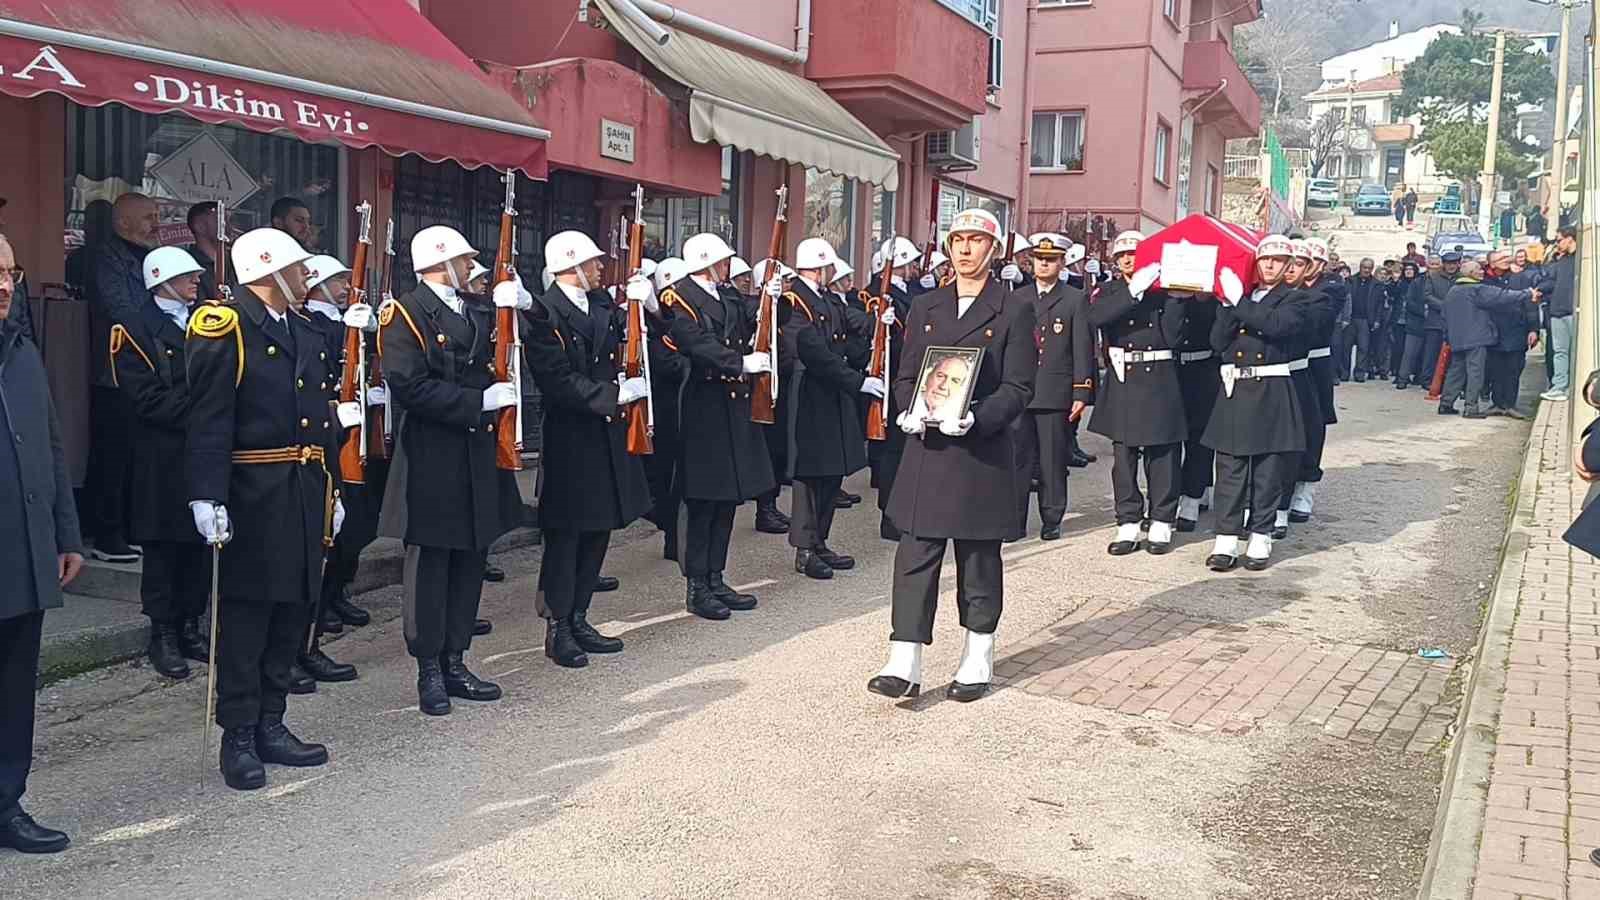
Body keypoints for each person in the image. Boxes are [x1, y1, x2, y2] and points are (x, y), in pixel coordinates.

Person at [185, 227, 343, 790]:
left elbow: (316, 413)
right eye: (298, 267)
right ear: (269, 269)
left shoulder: (299, 327)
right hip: (252, 493)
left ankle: (272, 722)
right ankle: (240, 735)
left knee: (291, 612)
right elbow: (207, 418)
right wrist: (207, 494)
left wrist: (334, 489)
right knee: (247, 620)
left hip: (301, 488)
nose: (306, 276)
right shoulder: (224, 328)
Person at [868, 208, 1034, 704]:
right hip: (928, 449)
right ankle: (905, 656)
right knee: (915, 554)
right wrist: (908, 409)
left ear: (994, 249)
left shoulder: (1013, 307)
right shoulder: (927, 305)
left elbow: (1019, 385)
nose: (965, 249)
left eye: (976, 241)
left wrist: (978, 418)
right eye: (958, 239)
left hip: (978, 450)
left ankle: (978, 651)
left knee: (978, 558)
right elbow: (905, 375)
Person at [377, 224, 523, 716]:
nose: (471, 268)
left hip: (475, 454)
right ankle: (429, 670)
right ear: (440, 262)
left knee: (469, 561)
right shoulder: (405, 313)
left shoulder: (474, 310)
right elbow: (409, 386)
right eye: (464, 260)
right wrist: (477, 400)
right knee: (431, 566)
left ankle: (456, 659)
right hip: (433, 457)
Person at [527, 231, 654, 668]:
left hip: (605, 435)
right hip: (571, 437)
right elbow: (555, 379)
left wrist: (644, 308)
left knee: (598, 528)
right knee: (566, 536)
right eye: (593, 262)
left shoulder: (601, 304)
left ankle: (580, 616)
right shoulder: (544, 312)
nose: (601, 268)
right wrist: (611, 396)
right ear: (571, 266)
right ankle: (558, 625)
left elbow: (628, 339)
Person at [0, 234, 84, 853]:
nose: (5, 285)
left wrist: (65, 533)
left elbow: (51, 449)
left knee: (13, 692)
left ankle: (7, 804)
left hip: (22, 556)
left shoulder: (22, 352)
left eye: (10, 273)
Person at [659, 233, 777, 619]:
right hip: (702, 408)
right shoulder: (678, 298)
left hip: (731, 409)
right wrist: (740, 364)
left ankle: (716, 575)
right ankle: (696, 584)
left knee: (725, 499)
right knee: (702, 503)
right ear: (707, 262)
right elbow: (696, 343)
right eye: (723, 260)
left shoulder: (724, 294)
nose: (729, 265)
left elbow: (752, 318)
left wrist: (771, 298)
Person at [109, 246, 211, 680]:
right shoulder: (134, 328)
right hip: (161, 454)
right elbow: (145, 398)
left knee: (201, 544)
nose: (196, 281)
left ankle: (191, 624)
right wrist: (211, 410)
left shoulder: (207, 320)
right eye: (187, 275)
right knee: (164, 547)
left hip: (203, 449)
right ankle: (163, 632)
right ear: (162, 281)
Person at [1201, 235, 1312, 572]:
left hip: (1271, 388)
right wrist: (1226, 307)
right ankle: (1226, 537)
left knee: (1267, 468)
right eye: (1265, 260)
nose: (1270, 265)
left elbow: (1276, 327)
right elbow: (1218, 343)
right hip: (1236, 387)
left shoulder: (1295, 299)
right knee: (1231, 467)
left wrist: (1239, 303)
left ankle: (1260, 534)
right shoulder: (1243, 299)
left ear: (1288, 266)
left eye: (1277, 261)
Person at [781, 238, 879, 579]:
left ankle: (820, 542)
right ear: (819, 268)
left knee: (831, 472)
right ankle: (805, 549)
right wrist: (855, 380)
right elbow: (813, 351)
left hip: (832, 389)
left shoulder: (824, 298)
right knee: (810, 475)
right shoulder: (794, 300)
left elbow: (843, 341)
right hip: (810, 390)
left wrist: (873, 335)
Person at [1087, 230, 1188, 555]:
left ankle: (1161, 519)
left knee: (1163, 455)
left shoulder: (1163, 291)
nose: (1129, 259)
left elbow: (1173, 338)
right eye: (1122, 255)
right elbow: (1097, 318)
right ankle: (1128, 521)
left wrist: (1174, 299)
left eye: (1134, 253)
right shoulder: (1110, 290)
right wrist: (1133, 291)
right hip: (1124, 376)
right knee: (1124, 456)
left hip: (1158, 376)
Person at [294, 254, 366, 684]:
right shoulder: (310, 324)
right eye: (336, 279)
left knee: (327, 547)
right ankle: (291, 653)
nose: (344, 286)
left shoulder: (319, 323)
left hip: (324, 451)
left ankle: (310, 642)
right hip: (296, 455)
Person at [86, 192, 161, 565]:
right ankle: (106, 533)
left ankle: (132, 527)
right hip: (114, 371)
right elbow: (121, 309)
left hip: (147, 370)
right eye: (149, 217)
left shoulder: (151, 257)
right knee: (112, 455)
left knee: (139, 454)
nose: (156, 225)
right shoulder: (107, 258)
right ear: (123, 223)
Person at [1012, 233, 1093, 541]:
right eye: (1039, 259)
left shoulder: (1074, 299)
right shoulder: (1018, 297)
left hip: (1054, 391)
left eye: (1051, 259)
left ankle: (1051, 517)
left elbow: (1082, 347)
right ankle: (1014, 519)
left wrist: (1081, 391)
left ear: (1062, 263)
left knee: (1051, 461)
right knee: (1018, 461)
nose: (1044, 264)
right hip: (1019, 392)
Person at [1439, 259, 1541, 419]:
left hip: (1456, 339)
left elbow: (1444, 316)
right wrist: (1528, 293)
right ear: (1472, 274)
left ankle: (1446, 404)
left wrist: (1448, 337)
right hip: (1476, 339)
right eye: (1479, 270)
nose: (1482, 272)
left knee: (1456, 371)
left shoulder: (1453, 291)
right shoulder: (1477, 289)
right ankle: (1471, 408)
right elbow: (1502, 296)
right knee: (1475, 373)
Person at [867, 238, 919, 541]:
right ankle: (890, 515)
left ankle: (899, 510)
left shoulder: (903, 292)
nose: (913, 268)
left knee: (901, 451)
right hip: (891, 376)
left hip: (905, 375)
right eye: (908, 262)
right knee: (891, 452)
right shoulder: (878, 294)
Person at [1290, 239, 1342, 524]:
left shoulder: (1330, 289)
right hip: (1289, 361)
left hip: (1316, 361)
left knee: (1314, 424)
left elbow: (1320, 321)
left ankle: (1305, 486)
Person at [646, 257, 692, 556]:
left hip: (684, 413)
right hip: (667, 415)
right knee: (670, 482)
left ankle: (676, 539)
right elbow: (670, 364)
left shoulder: (675, 321)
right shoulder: (657, 328)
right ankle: (672, 538)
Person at [1482, 249, 1544, 418]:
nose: (1505, 260)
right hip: (1493, 332)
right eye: (1500, 258)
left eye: (1505, 257)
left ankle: (1509, 404)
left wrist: (1533, 329)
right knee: (1495, 370)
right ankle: (1497, 403)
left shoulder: (1520, 278)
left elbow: (1530, 305)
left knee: (1513, 369)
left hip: (1517, 329)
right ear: (1491, 264)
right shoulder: (1486, 280)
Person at [1411, 251, 1460, 389]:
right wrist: (1444, 306)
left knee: (1453, 356)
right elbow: (1427, 296)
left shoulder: (1461, 278)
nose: (1451, 266)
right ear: (1444, 264)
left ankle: (1448, 382)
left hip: (1455, 322)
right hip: (1435, 321)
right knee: (1430, 353)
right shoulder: (1433, 277)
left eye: (1454, 264)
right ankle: (1427, 380)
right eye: (1448, 264)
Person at [1542, 228, 1578, 402]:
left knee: (1574, 352)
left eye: (1559, 240)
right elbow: (1549, 281)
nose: (1557, 244)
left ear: (1570, 239)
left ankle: (1573, 386)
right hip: (1557, 312)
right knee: (1560, 352)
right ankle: (1559, 386)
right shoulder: (1560, 261)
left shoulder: (1581, 260)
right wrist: (1538, 290)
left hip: (1573, 311)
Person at [1343, 259, 1381, 382]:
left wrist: (1377, 320)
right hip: (1350, 318)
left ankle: (1360, 374)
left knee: (1363, 348)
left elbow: (1379, 305)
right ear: (1360, 267)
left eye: (1369, 268)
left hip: (1365, 320)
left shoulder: (1376, 284)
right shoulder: (1350, 280)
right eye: (1364, 267)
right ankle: (1344, 373)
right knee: (1346, 347)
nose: (1366, 270)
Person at [1393, 261, 1428, 389]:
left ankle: (1420, 377)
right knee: (1407, 352)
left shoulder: (1425, 281)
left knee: (1424, 353)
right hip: (1410, 321)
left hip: (1428, 322)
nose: (1408, 271)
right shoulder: (1414, 283)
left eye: (1411, 269)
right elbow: (1408, 302)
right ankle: (1402, 378)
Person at [186, 201, 227, 301]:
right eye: (218, 221)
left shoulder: (237, 261)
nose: (226, 225)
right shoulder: (188, 266)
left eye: (227, 220)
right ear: (200, 226)